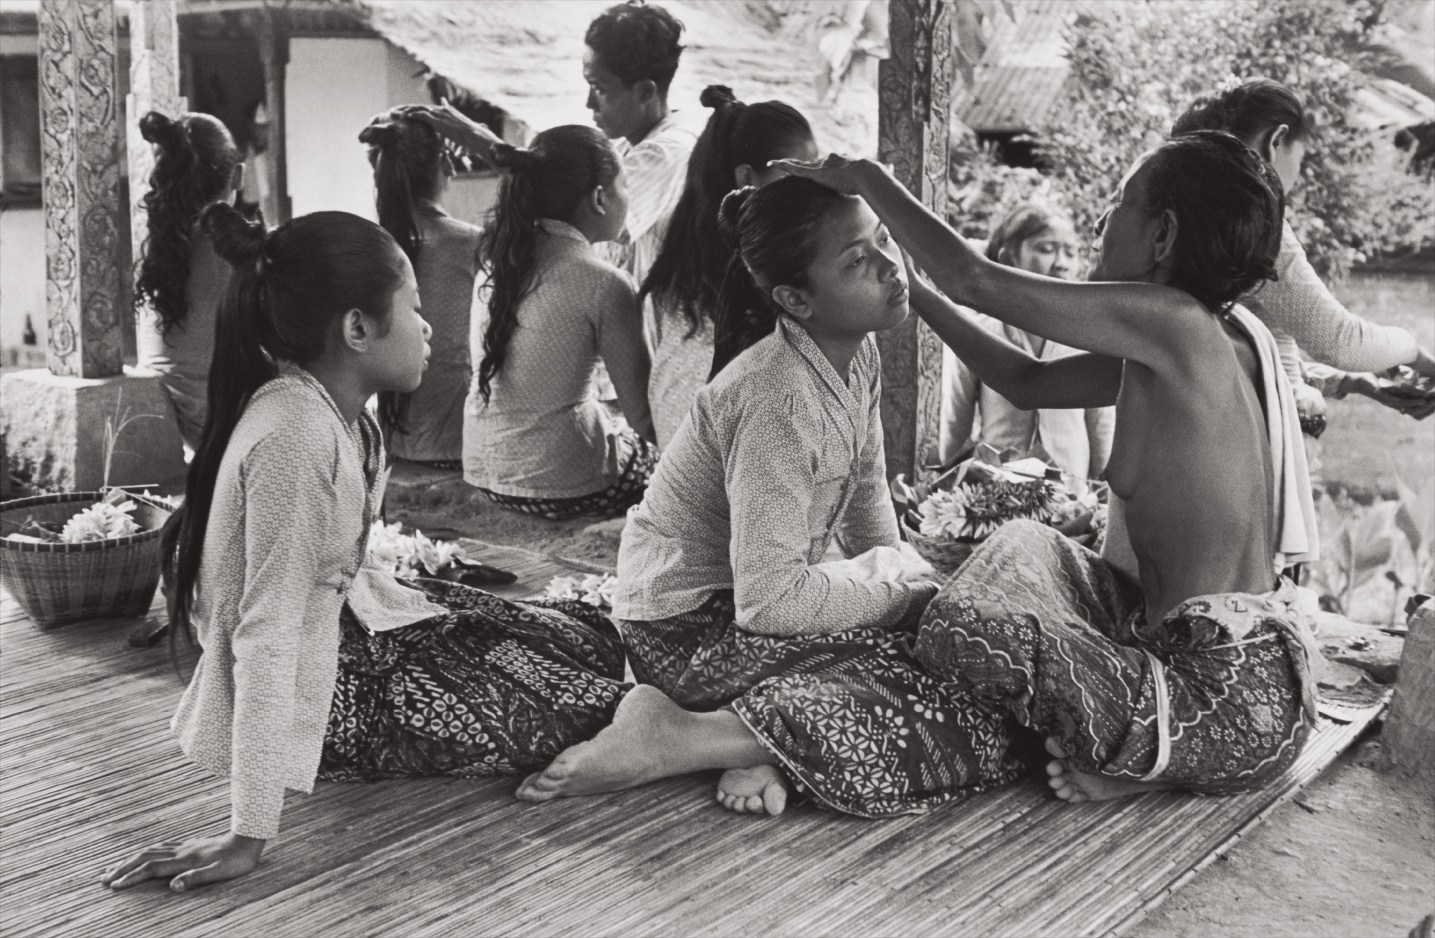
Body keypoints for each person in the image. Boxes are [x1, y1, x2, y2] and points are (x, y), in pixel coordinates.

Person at [776, 132, 1319, 803]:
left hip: (1227, 703)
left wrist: (864, 177)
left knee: (962, 626)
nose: (1099, 224)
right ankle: (1130, 751)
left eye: (1118, 204)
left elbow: (972, 278)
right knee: (1027, 546)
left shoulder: (1178, 324)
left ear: (1163, 236)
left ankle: (1143, 761)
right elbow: (1025, 381)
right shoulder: (1187, 341)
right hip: (1179, 655)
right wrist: (907, 290)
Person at [101, 206, 628, 892]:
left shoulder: (333, 412)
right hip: (331, 697)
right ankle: (668, 735)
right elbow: (267, 634)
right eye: (413, 306)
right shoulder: (294, 436)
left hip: (358, 626)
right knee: (585, 705)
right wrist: (246, 833)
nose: (428, 326)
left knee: (580, 635)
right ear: (356, 329)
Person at [514, 177, 1024, 817]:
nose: (890, 266)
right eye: (857, 260)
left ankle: (749, 739)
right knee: (954, 698)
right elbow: (770, 604)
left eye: (883, 240)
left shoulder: (855, 354)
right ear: (794, 299)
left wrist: (909, 580)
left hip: (748, 610)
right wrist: (909, 598)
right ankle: (677, 736)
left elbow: (869, 503)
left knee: (952, 653)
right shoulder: (777, 398)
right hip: (686, 632)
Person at [406, 1, 696, 337]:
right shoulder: (619, 149)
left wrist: (483, 142)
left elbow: (590, 209)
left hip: (650, 344)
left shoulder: (671, 151)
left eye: (600, 89)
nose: (589, 102)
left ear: (645, 91)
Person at [1171, 79, 1435, 421]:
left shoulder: (1185, 221)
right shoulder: (1255, 224)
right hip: (1250, 437)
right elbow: (1337, 341)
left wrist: (1354, 382)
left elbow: (1254, 359)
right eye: (1300, 155)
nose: (1298, 172)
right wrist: (1412, 350)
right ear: (1276, 141)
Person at [463, 126, 656, 520]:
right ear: (599, 198)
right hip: (563, 484)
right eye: (624, 185)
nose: (628, 197)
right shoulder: (604, 282)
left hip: (482, 471)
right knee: (654, 460)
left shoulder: (495, 263)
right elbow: (646, 418)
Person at [640, 84, 819, 448]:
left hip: (675, 455)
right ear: (747, 178)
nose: (815, 187)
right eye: (798, 174)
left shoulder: (677, 240)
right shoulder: (770, 253)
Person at [938, 202, 1114, 490]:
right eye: (1047, 249)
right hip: (998, 494)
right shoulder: (977, 331)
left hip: (1071, 496)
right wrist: (948, 484)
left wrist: (1099, 491)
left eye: (1071, 252)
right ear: (1008, 257)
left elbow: (1101, 426)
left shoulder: (1090, 336)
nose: (1062, 263)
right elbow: (955, 421)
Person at [360, 109, 483, 467]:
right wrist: (480, 140)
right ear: (445, 164)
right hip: (456, 444)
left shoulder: (368, 246)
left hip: (389, 442)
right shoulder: (473, 244)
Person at [133, 110, 243, 452]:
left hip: (184, 423)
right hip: (232, 423)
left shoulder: (160, 249)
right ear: (238, 176)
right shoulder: (234, 252)